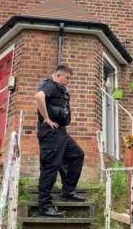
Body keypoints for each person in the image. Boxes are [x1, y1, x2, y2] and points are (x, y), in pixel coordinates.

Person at [35, 65, 85, 217]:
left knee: (77, 154)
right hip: (50, 133)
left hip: (61, 132)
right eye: (67, 78)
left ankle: (68, 191)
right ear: (58, 76)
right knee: (51, 166)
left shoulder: (61, 90)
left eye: (70, 78)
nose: (69, 81)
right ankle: (44, 206)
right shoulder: (51, 85)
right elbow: (38, 97)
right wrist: (46, 118)